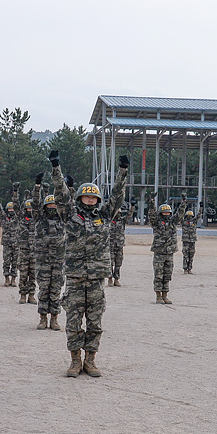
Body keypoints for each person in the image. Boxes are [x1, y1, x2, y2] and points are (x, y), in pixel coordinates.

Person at [50, 151, 128, 377]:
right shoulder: (70, 215)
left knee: (95, 322)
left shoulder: (104, 215)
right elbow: (61, 194)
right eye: (86, 197)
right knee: (73, 321)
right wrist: (56, 168)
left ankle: (90, 360)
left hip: (96, 280)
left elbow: (118, 196)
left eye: (94, 197)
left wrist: (122, 172)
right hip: (75, 278)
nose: (90, 200)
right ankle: (75, 361)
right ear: (80, 198)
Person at [32, 175, 65, 331]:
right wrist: (37, 187)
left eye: (54, 205)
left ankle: (54, 318)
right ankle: (43, 318)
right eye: (49, 205)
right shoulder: (39, 218)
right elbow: (35, 204)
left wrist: (69, 188)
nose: (52, 207)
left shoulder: (62, 219)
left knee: (56, 290)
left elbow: (68, 204)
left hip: (58, 261)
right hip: (43, 261)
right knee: (44, 290)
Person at [150, 201, 183, 303]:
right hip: (159, 252)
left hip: (169, 252)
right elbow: (152, 215)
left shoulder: (172, 222)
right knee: (158, 275)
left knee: (167, 275)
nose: (167, 214)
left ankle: (165, 295)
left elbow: (180, 214)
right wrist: (151, 203)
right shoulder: (156, 223)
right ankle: (158, 296)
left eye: (168, 213)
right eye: (165, 213)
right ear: (160, 213)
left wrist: (183, 204)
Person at [0, 184, 20, 287]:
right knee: (7, 261)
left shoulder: (17, 219)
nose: (11, 210)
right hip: (7, 243)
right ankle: (6, 278)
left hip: (16, 243)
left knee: (15, 262)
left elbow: (18, 205)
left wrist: (16, 192)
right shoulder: (4, 218)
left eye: (12, 209)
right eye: (9, 209)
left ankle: (13, 279)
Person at [16, 192, 37, 304]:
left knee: (33, 275)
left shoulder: (37, 220)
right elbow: (15, 206)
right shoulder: (21, 219)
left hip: (34, 252)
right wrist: (16, 193)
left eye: (31, 208)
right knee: (23, 274)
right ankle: (23, 295)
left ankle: (31, 295)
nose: (30, 210)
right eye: (28, 208)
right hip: (24, 251)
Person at [108, 200, 134, 286]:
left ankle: (116, 279)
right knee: (110, 263)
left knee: (118, 263)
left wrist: (132, 207)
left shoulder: (122, 221)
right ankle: (110, 279)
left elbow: (129, 216)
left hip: (119, 245)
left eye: (119, 212)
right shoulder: (108, 221)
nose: (118, 214)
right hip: (110, 245)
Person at [181, 204, 199, 274]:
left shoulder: (194, 222)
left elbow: (198, 216)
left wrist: (200, 208)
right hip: (185, 241)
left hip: (192, 241)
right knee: (185, 255)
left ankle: (190, 268)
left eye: (191, 216)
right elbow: (180, 215)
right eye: (188, 216)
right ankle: (185, 269)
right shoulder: (183, 222)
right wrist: (182, 207)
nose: (189, 217)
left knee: (191, 255)